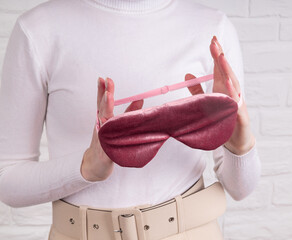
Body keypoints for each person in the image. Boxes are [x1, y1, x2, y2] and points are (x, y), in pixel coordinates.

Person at [0, 0, 261, 239]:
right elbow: (8, 179)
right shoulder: (38, 29)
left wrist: (239, 146)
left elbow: (241, 189)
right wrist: (87, 168)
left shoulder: (212, 26)